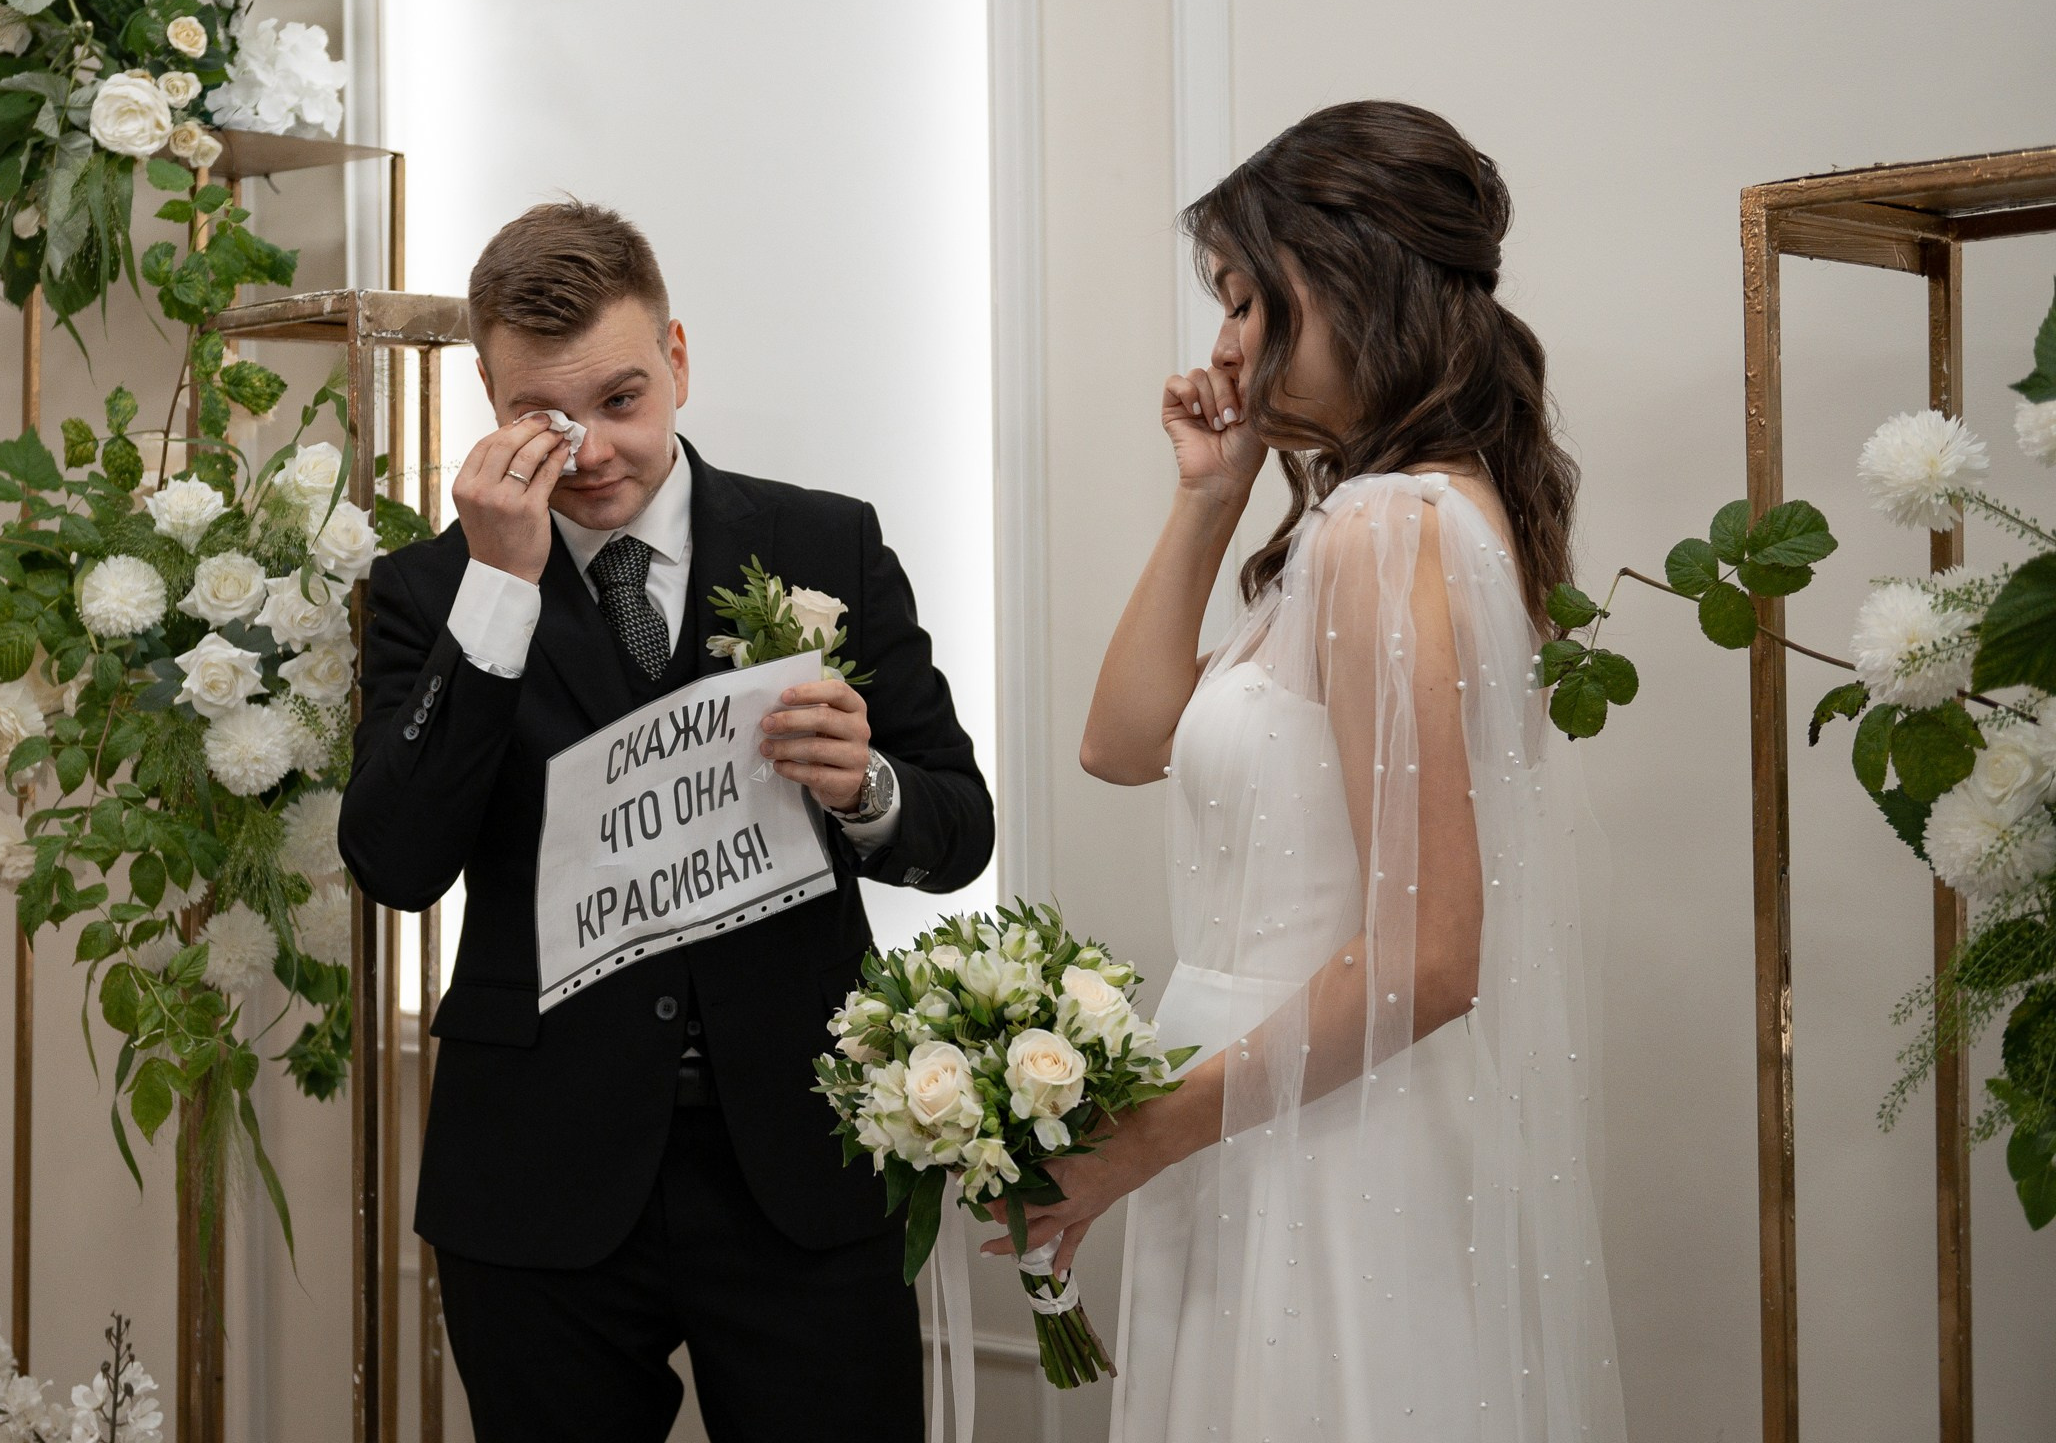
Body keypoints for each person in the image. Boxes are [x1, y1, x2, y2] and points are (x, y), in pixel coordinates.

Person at [988, 102, 1627, 1439]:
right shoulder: (1377, 515)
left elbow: (1432, 955)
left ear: (1346, 275)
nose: (1220, 342)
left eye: (1241, 296)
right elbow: (1120, 745)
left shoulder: (1386, 528)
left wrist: (1143, 1136)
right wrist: (1210, 497)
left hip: (1310, 1145)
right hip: (1272, 1116)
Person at [338, 200, 994, 1442]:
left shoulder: (826, 542)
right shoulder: (429, 589)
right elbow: (395, 862)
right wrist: (499, 588)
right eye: (543, 416)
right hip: (538, 1175)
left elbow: (959, 827)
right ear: (489, 394)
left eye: (623, 400)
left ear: (680, 360)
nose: (587, 451)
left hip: (802, 1154)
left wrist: (869, 790)